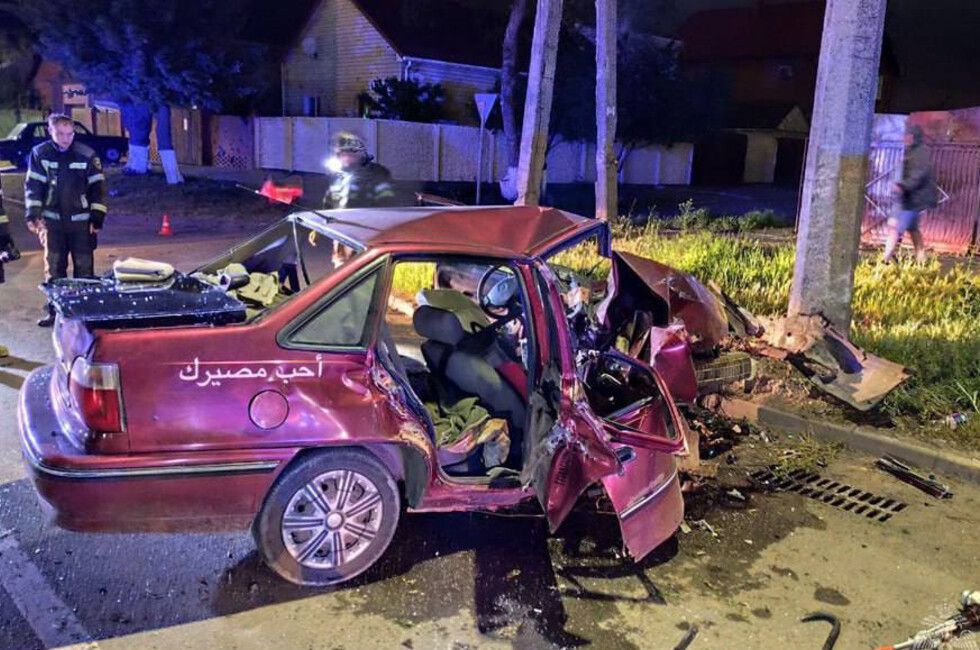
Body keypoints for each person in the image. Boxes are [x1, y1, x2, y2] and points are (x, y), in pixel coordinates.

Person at [24, 113, 107, 326]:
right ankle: (55, 313)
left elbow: (98, 188)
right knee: (54, 269)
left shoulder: (86, 155)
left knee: (84, 269)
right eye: (60, 133)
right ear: (50, 131)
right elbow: (33, 187)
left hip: (81, 223)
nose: (65, 138)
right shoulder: (40, 154)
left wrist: (97, 217)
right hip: (52, 223)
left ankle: (86, 314)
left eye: (69, 134)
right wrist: (33, 214)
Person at [321, 132, 395, 266]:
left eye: (346, 152)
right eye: (339, 153)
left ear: (359, 153)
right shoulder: (339, 175)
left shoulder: (378, 173)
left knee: (364, 270)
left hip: (366, 237)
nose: (341, 157)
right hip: (341, 237)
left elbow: (387, 205)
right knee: (342, 271)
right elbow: (329, 202)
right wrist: (318, 226)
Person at [883, 125, 937, 264]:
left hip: (913, 198)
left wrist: (902, 185)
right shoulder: (912, 151)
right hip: (909, 197)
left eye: (908, 135)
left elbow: (918, 175)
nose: (905, 138)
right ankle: (921, 258)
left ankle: (886, 259)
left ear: (914, 137)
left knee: (895, 226)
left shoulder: (920, 153)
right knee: (911, 229)